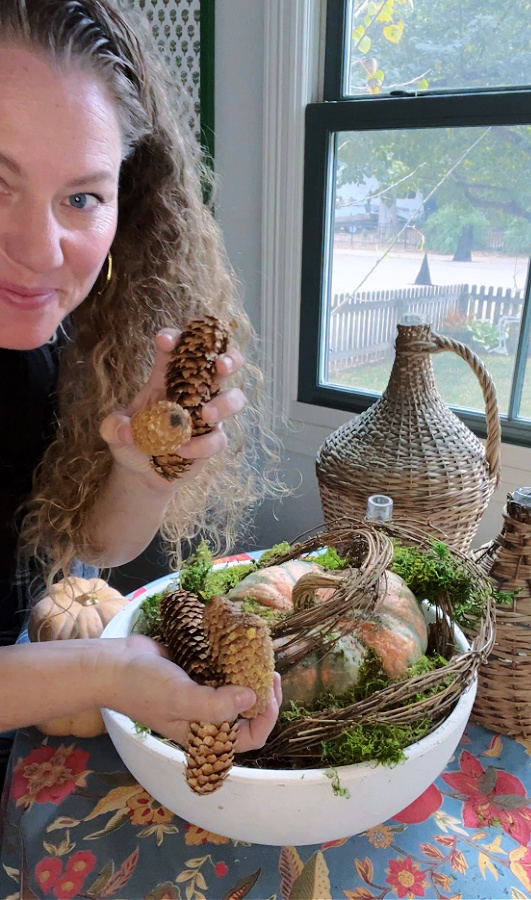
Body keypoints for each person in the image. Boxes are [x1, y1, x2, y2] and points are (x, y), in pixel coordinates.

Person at [0, 0, 282, 784]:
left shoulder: (37, 347)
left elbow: (91, 543)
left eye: (82, 197)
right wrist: (114, 670)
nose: (38, 249)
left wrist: (138, 471)